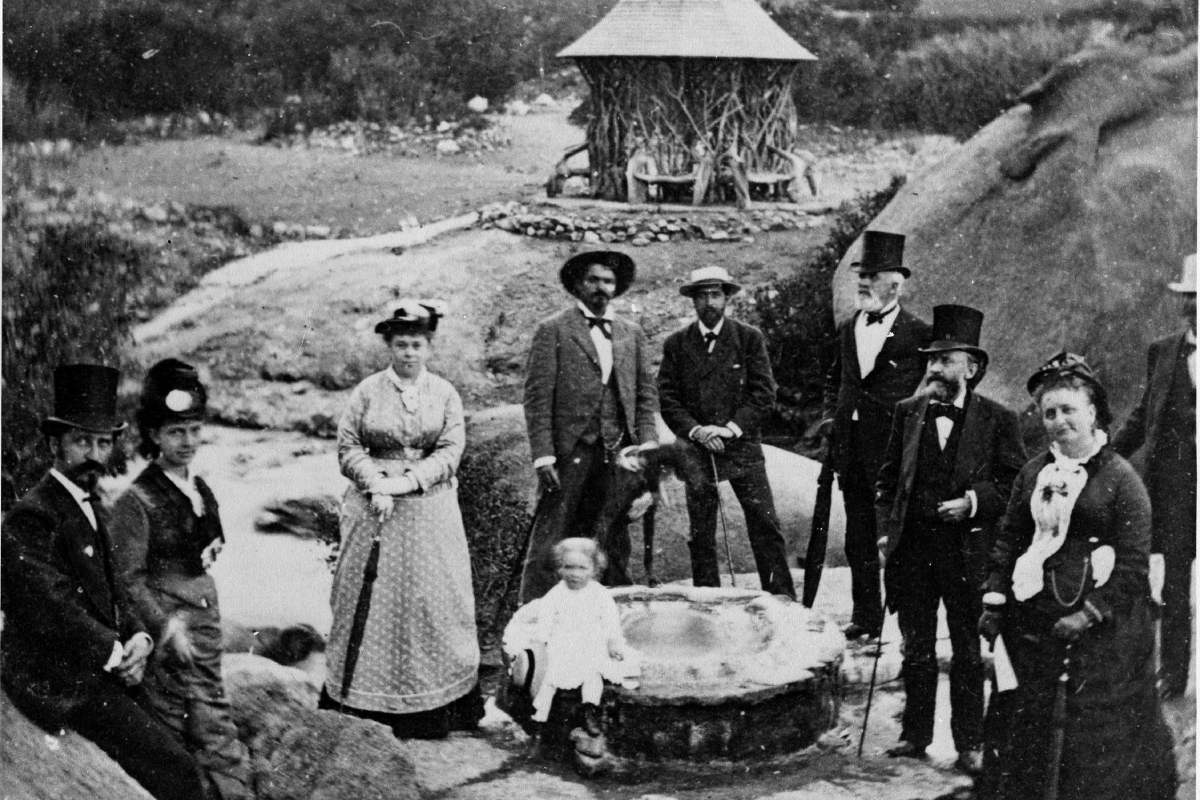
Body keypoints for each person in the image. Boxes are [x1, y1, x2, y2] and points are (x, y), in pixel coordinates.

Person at [976, 352, 1177, 800]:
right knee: (1024, 726)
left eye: (1068, 409)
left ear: (1091, 412)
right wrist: (994, 598)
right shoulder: (1033, 473)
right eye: (1050, 412)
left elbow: (1133, 563)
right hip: (1035, 623)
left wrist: (1089, 615)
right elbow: (1010, 538)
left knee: (1091, 744)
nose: (1058, 420)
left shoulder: (1122, 480)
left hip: (1100, 635)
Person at [1, 364, 206, 800]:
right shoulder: (32, 515)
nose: (95, 454)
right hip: (57, 676)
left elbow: (117, 592)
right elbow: (50, 606)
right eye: (82, 441)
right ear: (56, 443)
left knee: (184, 747)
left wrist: (139, 639)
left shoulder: (91, 505)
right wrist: (114, 652)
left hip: (100, 666)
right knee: (178, 772)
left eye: (103, 442)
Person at [874, 305, 1026, 774]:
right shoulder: (908, 412)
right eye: (931, 360)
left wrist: (973, 503)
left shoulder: (998, 419)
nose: (935, 369)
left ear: (972, 367)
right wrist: (886, 534)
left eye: (945, 359)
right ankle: (914, 736)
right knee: (916, 647)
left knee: (965, 651)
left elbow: (1014, 483)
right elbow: (886, 481)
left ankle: (970, 744)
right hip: (913, 552)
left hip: (966, 553)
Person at [320, 301, 482, 739]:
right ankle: (364, 701)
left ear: (428, 346)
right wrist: (374, 481)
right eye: (400, 344)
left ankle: (431, 707)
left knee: (430, 599)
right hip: (373, 508)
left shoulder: (445, 393)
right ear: (388, 346)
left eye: (417, 344)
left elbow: (451, 451)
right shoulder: (368, 391)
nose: (409, 352)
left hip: (428, 509)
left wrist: (408, 482)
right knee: (367, 597)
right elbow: (348, 446)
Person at [109, 359, 254, 800]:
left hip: (204, 630)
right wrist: (165, 626)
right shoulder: (137, 500)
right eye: (175, 432)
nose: (187, 441)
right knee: (182, 726)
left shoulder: (201, 489)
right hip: (169, 635)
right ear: (153, 435)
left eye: (193, 429)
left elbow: (207, 550)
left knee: (212, 719)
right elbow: (127, 578)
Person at [521, 250, 658, 601]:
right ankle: (535, 619)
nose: (601, 288)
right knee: (553, 538)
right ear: (579, 285)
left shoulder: (632, 334)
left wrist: (649, 451)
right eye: (593, 280)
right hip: (571, 451)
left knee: (613, 538)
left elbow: (644, 399)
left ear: (617, 288)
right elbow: (537, 400)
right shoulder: (553, 329)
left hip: (619, 451)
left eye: (608, 281)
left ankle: (613, 616)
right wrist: (543, 456)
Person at [658, 266, 795, 597]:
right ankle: (708, 599)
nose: (709, 302)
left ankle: (782, 598)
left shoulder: (748, 338)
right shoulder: (677, 344)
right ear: (692, 301)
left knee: (764, 523)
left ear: (727, 298)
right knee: (701, 531)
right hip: (696, 449)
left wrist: (730, 429)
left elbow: (764, 393)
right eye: (702, 295)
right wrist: (696, 431)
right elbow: (667, 397)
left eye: (715, 294)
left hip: (741, 445)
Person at [819, 230, 931, 638]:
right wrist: (831, 419)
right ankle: (866, 618)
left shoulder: (920, 333)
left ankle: (909, 625)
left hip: (896, 454)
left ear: (895, 283)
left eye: (873, 274)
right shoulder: (849, 328)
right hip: (851, 454)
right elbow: (837, 379)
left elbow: (948, 374)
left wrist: (922, 407)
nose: (863, 281)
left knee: (901, 540)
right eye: (861, 274)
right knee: (857, 539)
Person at [1111, 253, 1196, 699]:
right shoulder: (1164, 351)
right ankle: (1173, 677)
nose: (1191, 307)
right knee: (1175, 583)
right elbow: (1145, 414)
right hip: (1178, 487)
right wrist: (1104, 456)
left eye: (1197, 298)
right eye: (1187, 298)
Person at [530, 538, 629, 738]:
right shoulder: (556, 594)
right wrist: (541, 641)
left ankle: (589, 711)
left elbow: (610, 622)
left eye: (582, 568)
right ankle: (539, 718)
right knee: (549, 676)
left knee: (592, 673)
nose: (575, 573)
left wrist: (612, 641)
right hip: (562, 642)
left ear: (593, 569)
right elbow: (545, 620)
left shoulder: (599, 593)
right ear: (560, 568)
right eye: (569, 567)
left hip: (591, 642)